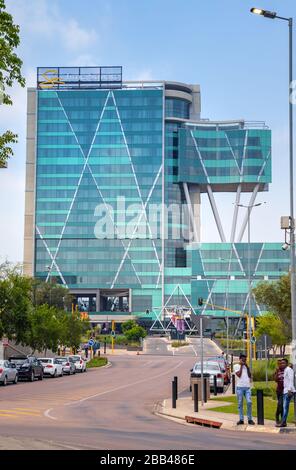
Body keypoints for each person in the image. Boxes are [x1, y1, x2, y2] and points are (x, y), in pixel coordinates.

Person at [233, 353, 255, 425]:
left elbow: (249, 375)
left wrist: (247, 366)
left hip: (247, 387)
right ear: (240, 359)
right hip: (240, 387)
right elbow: (238, 375)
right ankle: (241, 419)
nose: (244, 361)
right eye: (243, 359)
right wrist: (242, 366)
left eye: (245, 359)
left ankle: (250, 419)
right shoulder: (236, 366)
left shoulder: (246, 366)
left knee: (249, 402)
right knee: (240, 404)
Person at [276, 359, 295, 427]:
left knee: (285, 407)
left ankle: (283, 422)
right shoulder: (286, 370)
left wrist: (289, 390)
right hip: (286, 391)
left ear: (286, 363)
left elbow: (291, 380)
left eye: (283, 363)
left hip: (288, 391)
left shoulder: (288, 370)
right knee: (285, 407)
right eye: (281, 363)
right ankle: (283, 422)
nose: (282, 364)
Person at [274, 358, 285, 425]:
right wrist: (277, 372)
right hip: (279, 390)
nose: (280, 365)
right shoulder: (277, 371)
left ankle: (282, 420)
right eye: (278, 364)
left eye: (281, 363)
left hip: (285, 390)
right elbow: (275, 380)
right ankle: (277, 416)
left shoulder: (286, 370)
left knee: (282, 405)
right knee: (280, 404)